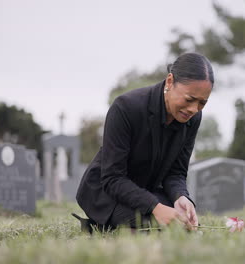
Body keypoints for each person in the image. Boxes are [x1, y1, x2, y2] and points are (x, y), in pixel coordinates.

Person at [75, 53, 214, 233]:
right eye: (189, 99)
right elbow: (113, 178)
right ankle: (103, 225)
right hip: (107, 193)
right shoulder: (125, 107)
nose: (193, 109)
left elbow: (176, 173)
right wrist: (156, 208)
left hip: (146, 193)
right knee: (157, 226)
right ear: (170, 81)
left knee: (184, 224)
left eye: (202, 103)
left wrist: (181, 197)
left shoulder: (192, 118)